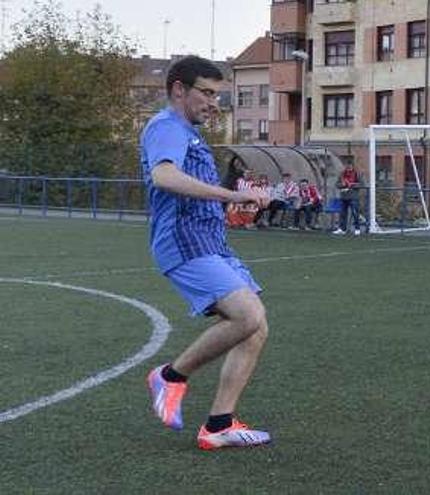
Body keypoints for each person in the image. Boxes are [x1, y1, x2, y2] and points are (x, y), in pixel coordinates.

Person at [140, 55, 274, 450]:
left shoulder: (189, 133)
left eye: (219, 94)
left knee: (256, 327)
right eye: (208, 93)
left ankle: (218, 425)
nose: (215, 102)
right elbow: (163, 176)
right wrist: (233, 193)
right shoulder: (167, 127)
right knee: (247, 315)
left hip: (210, 241)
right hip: (183, 241)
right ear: (179, 90)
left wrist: (233, 205)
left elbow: (192, 188)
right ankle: (171, 376)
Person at [333, 162, 361, 235]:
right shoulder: (342, 174)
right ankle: (342, 229)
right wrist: (342, 185)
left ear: (352, 166)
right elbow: (337, 184)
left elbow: (361, 184)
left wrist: (352, 185)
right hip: (343, 196)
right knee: (342, 213)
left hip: (353, 197)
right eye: (347, 166)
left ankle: (357, 228)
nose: (348, 168)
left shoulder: (356, 174)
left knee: (355, 213)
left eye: (350, 166)